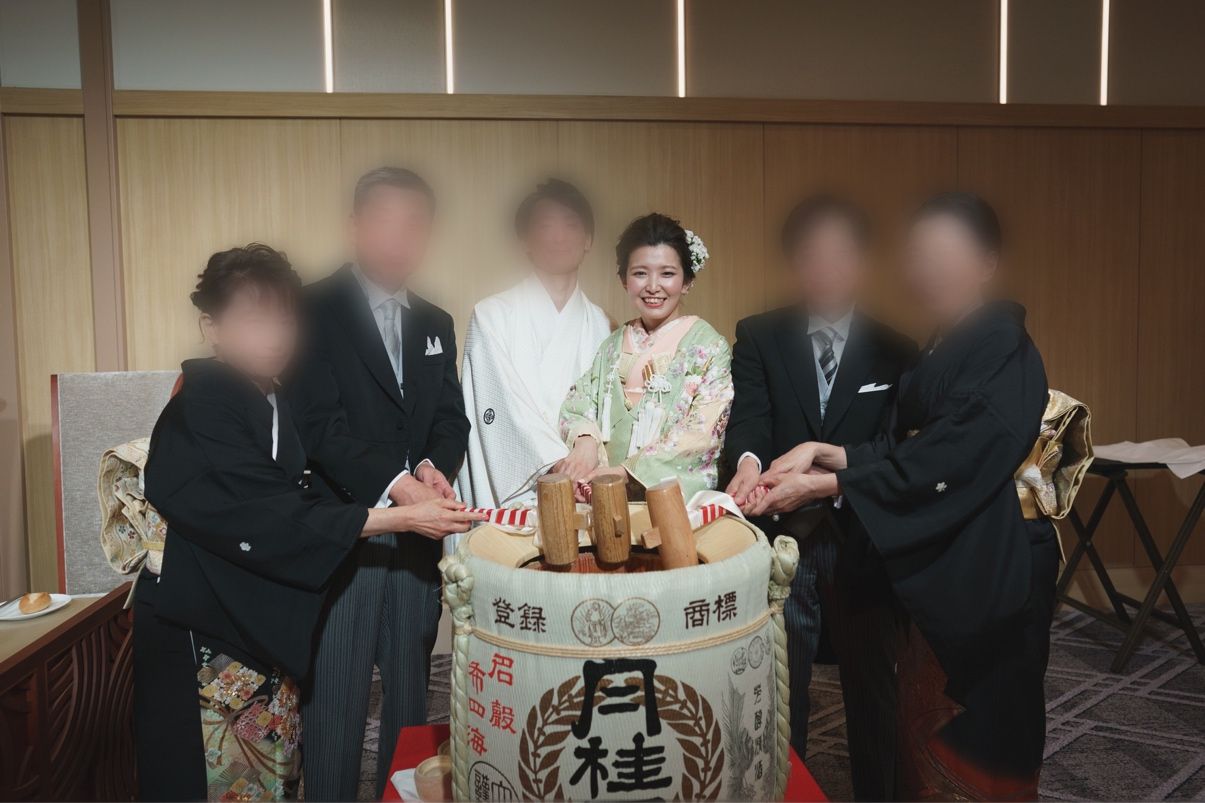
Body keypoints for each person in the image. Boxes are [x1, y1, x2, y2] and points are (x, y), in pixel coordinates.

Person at [133, 245, 482, 802]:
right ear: (211, 327)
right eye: (253, 318)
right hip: (205, 625)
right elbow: (276, 517)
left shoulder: (272, 397)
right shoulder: (201, 406)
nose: (274, 335)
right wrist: (402, 516)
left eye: (284, 318)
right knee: (212, 779)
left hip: (256, 617)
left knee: (273, 776)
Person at [747, 192, 1060, 799]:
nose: (928, 271)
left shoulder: (1001, 345)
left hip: (987, 558)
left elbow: (947, 459)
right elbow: (902, 446)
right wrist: (824, 453)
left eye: (947, 255)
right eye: (919, 256)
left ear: (987, 263)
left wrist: (830, 482)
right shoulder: (945, 341)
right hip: (945, 549)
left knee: (980, 736)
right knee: (921, 726)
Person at [285, 168, 471, 800]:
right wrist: (397, 484)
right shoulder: (310, 308)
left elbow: (450, 417)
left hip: (418, 541)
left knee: (411, 693)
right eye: (385, 222)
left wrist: (433, 467)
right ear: (355, 226)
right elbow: (317, 423)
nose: (399, 238)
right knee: (336, 696)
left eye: (413, 224)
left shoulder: (435, 320)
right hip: (348, 532)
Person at [723, 194, 915, 799]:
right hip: (787, 533)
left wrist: (830, 478)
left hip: (864, 533)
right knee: (782, 685)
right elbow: (749, 423)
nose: (827, 268)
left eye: (841, 255)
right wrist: (749, 466)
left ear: (862, 263)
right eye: (813, 255)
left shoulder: (897, 348)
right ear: (795, 262)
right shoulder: (760, 334)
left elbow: (893, 447)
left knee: (874, 686)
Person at [457, 179, 610, 512]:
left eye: (570, 225)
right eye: (544, 226)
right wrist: (556, 464)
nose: (558, 237)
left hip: (586, 483)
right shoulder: (491, 315)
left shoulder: (602, 323)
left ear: (588, 240)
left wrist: (586, 449)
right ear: (525, 240)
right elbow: (499, 403)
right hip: (521, 487)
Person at [556, 213, 732, 501]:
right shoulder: (612, 345)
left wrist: (625, 472)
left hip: (669, 502)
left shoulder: (709, 347)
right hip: (603, 497)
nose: (652, 286)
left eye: (667, 274)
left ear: (687, 281)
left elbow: (701, 434)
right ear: (624, 280)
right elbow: (580, 403)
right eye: (640, 273)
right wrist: (585, 441)